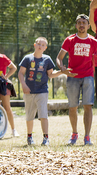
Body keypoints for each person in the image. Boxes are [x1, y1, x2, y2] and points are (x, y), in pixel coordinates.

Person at [19, 37, 71, 146]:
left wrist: (62, 72)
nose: (40, 46)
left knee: (43, 115)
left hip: (42, 91)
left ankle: (46, 138)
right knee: (29, 116)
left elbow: (51, 74)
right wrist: (23, 85)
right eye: (38, 44)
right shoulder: (27, 58)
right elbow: (21, 73)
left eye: (43, 45)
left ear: (45, 48)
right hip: (29, 92)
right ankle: (29, 137)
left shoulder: (47, 59)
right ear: (34, 45)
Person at [56, 14, 97, 146]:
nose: (81, 25)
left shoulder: (93, 42)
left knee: (88, 106)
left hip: (88, 76)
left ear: (88, 26)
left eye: (84, 22)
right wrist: (62, 68)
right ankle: (74, 134)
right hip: (73, 77)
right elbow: (59, 57)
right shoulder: (69, 40)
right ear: (76, 25)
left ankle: (87, 137)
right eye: (79, 22)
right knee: (72, 107)